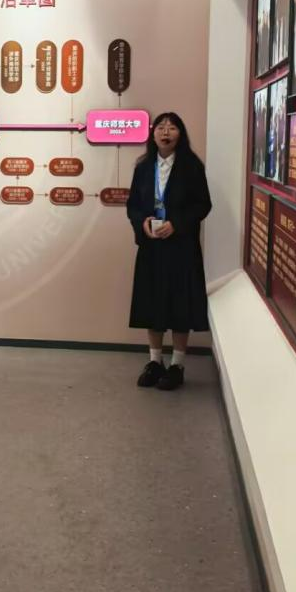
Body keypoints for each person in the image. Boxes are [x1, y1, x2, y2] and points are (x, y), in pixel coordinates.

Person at [129, 113, 212, 392]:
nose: (166, 132)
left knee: (179, 302)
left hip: (181, 246)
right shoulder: (143, 167)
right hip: (152, 245)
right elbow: (133, 204)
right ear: (153, 134)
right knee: (151, 300)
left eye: (172, 127)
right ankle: (155, 361)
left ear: (181, 134)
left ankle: (177, 365)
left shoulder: (191, 166)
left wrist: (177, 224)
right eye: (161, 127)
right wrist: (142, 222)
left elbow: (203, 205)